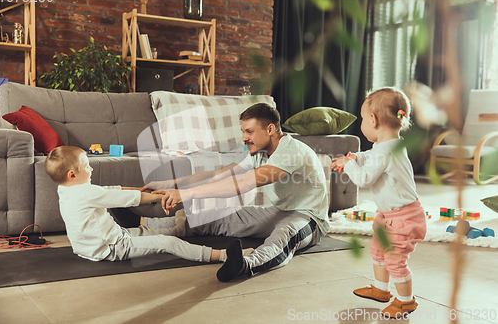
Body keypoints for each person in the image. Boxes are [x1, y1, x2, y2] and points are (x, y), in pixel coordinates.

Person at [143, 103, 330, 282]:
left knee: (283, 235)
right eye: (243, 132)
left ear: (270, 129)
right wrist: (168, 184)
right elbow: (216, 175)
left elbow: (243, 183)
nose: (244, 138)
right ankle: (149, 224)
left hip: (309, 218)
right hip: (279, 211)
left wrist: (187, 194)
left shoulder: (291, 152)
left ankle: (245, 265)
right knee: (223, 214)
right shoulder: (259, 153)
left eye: (249, 132)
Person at [330, 87, 427, 319]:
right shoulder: (388, 146)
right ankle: (380, 290)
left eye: (363, 119)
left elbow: (364, 178)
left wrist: (348, 165)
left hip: (403, 219)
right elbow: (371, 157)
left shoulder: (386, 152)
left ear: (372, 120)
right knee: (378, 251)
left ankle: (406, 301)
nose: (363, 123)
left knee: (395, 260)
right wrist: (354, 157)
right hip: (389, 216)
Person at [44, 145, 232, 263]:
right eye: (86, 166)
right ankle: (223, 256)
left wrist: (141, 189)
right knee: (167, 243)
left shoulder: (66, 189)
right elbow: (125, 199)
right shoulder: (86, 192)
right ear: (72, 174)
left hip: (97, 244)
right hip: (110, 247)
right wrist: (159, 197)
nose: (91, 168)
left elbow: (113, 189)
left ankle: (179, 229)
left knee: (148, 231)